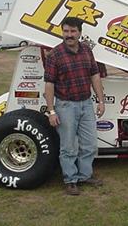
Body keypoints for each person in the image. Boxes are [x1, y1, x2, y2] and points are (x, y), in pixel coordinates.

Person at [44, 17, 105, 196]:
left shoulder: (87, 50)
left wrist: (100, 101)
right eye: (66, 31)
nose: (69, 35)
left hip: (86, 104)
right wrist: (51, 111)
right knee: (69, 146)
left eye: (72, 31)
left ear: (79, 32)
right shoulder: (55, 55)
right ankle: (70, 180)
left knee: (90, 144)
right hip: (65, 106)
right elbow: (49, 84)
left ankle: (85, 175)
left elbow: (94, 76)